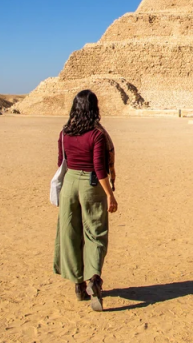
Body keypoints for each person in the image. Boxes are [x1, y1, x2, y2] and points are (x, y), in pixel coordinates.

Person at [53, 90, 117, 312]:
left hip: (69, 184)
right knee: (96, 233)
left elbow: (62, 161)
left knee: (70, 233)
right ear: (94, 108)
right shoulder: (97, 135)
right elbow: (100, 169)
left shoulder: (65, 132)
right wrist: (110, 194)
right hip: (91, 185)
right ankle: (95, 280)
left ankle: (78, 285)